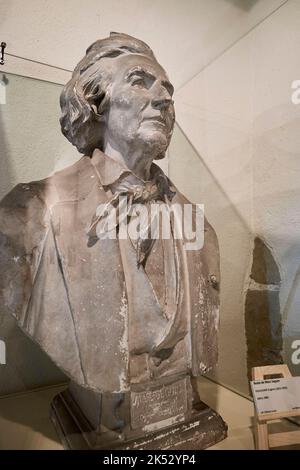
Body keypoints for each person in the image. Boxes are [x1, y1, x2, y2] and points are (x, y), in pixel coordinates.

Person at [0, 33, 221, 444]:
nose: (163, 99)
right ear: (95, 103)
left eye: (168, 90)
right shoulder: (28, 214)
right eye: (140, 81)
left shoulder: (200, 229)